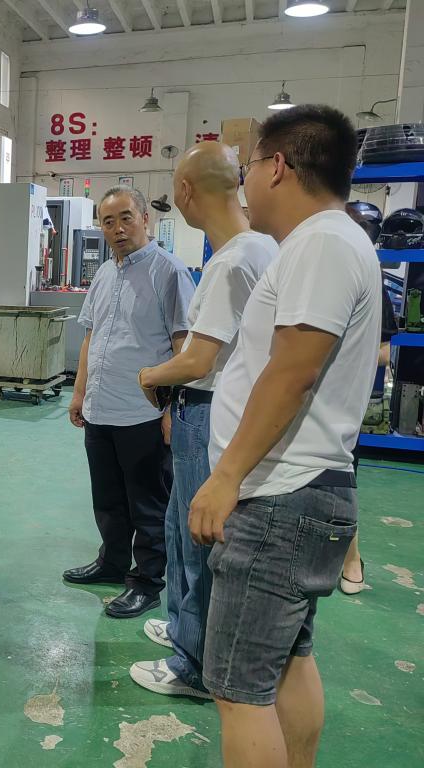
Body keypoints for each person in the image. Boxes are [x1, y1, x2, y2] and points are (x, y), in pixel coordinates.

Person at [190, 105, 381, 768]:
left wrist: (226, 476)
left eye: (248, 167)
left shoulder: (322, 243)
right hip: (305, 491)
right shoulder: (335, 241)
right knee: (291, 661)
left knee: (239, 691)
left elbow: (292, 371)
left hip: (279, 497)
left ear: (277, 167)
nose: (244, 183)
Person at [128, 142, 278, 698]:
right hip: (213, 408)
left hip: (209, 410)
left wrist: (150, 375)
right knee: (178, 525)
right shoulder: (261, 247)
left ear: (186, 191)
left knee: (196, 538)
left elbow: (197, 360)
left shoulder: (232, 261)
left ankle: (192, 663)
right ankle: (182, 627)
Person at [63, 186, 195, 619]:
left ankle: (147, 582)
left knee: (148, 505)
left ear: (145, 219)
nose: (118, 229)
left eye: (126, 218)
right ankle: (113, 561)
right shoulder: (105, 273)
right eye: (108, 221)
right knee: (107, 498)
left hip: (143, 413)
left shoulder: (169, 272)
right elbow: (91, 337)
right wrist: (79, 392)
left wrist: (172, 411)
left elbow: (183, 346)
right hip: (101, 408)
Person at [340, 203, 400, 595]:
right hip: (305, 394)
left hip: (344, 398)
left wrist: (336, 350)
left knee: (342, 477)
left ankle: (351, 558)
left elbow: (384, 351)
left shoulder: (370, 276)